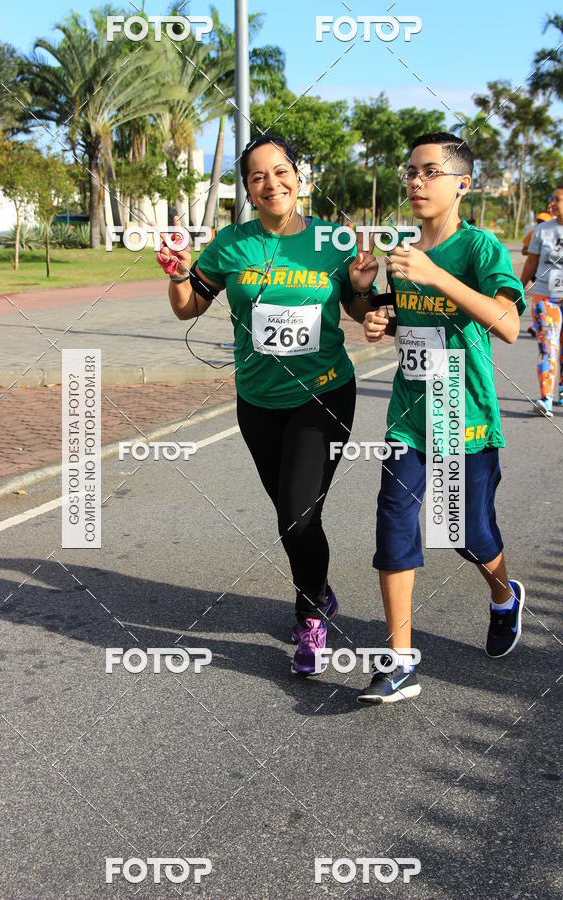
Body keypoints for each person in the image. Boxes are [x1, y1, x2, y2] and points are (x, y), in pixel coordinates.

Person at [156, 134, 378, 676]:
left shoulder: (333, 241)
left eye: (281, 172)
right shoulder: (231, 243)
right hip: (256, 400)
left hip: (323, 393)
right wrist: (180, 273)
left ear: (299, 179)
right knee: (290, 517)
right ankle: (320, 590)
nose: (271, 183)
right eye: (258, 177)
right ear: (248, 190)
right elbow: (189, 309)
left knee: (299, 516)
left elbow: (359, 311)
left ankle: (309, 619)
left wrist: (364, 289)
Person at [359, 132, 526, 704]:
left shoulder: (480, 249)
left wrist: (435, 276)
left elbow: (507, 323)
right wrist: (379, 319)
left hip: (467, 416)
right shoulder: (401, 255)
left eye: (430, 172)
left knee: (469, 536)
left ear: (463, 183)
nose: (415, 182)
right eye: (411, 172)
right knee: (394, 523)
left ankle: (504, 596)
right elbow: (404, 322)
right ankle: (399, 659)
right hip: (409, 415)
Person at [520, 187, 563, 415]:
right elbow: (531, 264)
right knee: (548, 347)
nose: (552, 204)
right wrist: (517, 290)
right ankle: (546, 398)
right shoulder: (542, 230)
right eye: (552, 199)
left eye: (558, 200)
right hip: (546, 299)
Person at [522, 205, 555, 338]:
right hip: (538, 272)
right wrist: (535, 251)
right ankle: (537, 325)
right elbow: (524, 251)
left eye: (544, 221)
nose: (541, 223)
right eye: (539, 221)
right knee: (540, 298)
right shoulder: (536, 232)